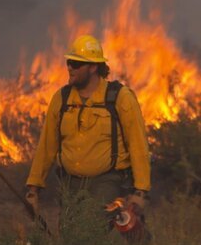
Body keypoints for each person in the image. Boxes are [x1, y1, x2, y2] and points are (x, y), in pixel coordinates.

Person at [24, 34, 150, 227]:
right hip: (70, 183)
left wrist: (140, 191)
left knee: (91, 228)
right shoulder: (62, 99)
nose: (70, 68)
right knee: (70, 236)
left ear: (93, 67)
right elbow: (46, 146)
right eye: (69, 62)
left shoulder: (120, 98)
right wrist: (33, 188)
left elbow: (138, 145)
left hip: (106, 181)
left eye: (76, 63)